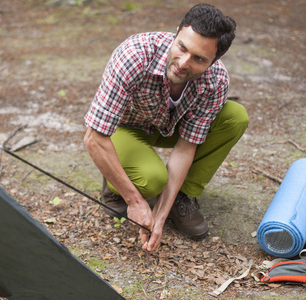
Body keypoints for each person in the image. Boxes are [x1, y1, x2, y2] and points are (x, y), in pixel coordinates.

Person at [84, 3, 249, 252]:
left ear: (214, 60)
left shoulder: (216, 80)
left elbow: (186, 146)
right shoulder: (135, 55)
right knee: (151, 181)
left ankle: (180, 198)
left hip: (170, 128)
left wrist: (159, 216)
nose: (183, 63)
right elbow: (94, 138)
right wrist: (136, 201)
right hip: (126, 127)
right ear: (177, 32)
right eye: (182, 47)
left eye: (199, 59)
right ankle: (116, 186)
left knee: (234, 117)